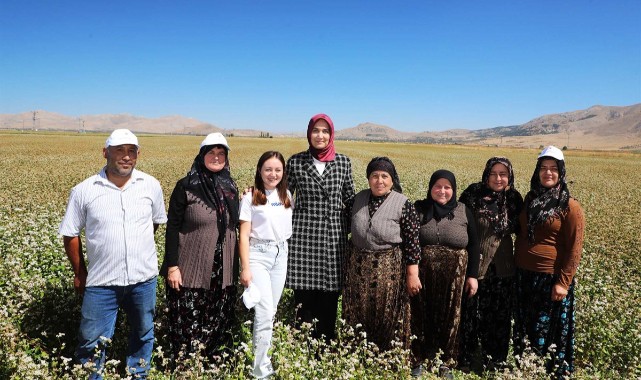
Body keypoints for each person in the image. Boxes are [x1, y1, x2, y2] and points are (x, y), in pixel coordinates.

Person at [59, 129, 167, 379]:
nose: (126, 156)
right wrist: (80, 272)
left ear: (138, 155)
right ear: (105, 152)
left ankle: (137, 374)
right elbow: (70, 234)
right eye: (119, 150)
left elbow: (155, 223)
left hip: (144, 279)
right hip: (101, 282)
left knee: (143, 333)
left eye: (132, 151)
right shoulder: (84, 190)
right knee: (91, 340)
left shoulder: (151, 185)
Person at [160, 133, 239, 367]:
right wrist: (172, 266)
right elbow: (172, 227)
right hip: (190, 269)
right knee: (188, 321)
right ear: (201, 155)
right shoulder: (186, 186)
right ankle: (186, 366)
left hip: (222, 269)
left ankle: (211, 365)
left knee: (219, 319)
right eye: (211, 153)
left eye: (221, 154)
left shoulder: (230, 187)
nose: (216, 158)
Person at [513, 146, 584, 379]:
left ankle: (548, 372)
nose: (548, 173)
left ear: (561, 172)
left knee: (549, 330)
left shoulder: (569, 206)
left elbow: (575, 248)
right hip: (524, 274)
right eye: (543, 168)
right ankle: (525, 367)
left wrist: (563, 282)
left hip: (550, 277)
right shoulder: (531, 199)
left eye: (553, 169)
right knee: (527, 325)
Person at [286, 113, 355, 342]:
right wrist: (254, 195)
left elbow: (350, 198)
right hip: (303, 238)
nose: (320, 135)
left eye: (325, 131)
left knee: (329, 297)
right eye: (316, 130)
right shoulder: (296, 162)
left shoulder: (343, 162)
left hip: (333, 238)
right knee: (304, 297)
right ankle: (303, 349)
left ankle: (325, 346)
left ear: (331, 134)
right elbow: (282, 196)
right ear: (309, 133)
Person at [342, 157, 421, 351]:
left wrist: (412, 274)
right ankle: (356, 352)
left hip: (389, 271)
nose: (380, 181)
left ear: (392, 180)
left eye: (384, 176)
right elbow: (341, 226)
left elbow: (412, 242)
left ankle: (386, 355)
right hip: (358, 269)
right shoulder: (357, 199)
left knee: (387, 313)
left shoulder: (403, 204)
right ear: (368, 179)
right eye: (375, 176)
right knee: (358, 311)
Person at [411, 169, 480, 378]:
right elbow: (409, 241)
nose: (442, 191)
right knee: (420, 314)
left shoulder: (463, 210)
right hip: (423, 275)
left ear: (454, 189)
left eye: (447, 187)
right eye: (437, 186)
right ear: (430, 188)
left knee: (451, 316)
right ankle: (418, 359)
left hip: (454, 277)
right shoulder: (419, 209)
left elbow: (475, 245)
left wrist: (472, 276)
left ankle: (446, 362)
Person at [458, 157, 524, 369]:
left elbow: (522, 230)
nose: (498, 178)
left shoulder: (514, 198)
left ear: (510, 176)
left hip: (503, 268)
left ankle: (495, 359)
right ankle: (466, 356)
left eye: (503, 174)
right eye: (493, 173)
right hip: (476, 265)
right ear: (486, 174)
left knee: (499, 315)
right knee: (471, 311)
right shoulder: (472, 194)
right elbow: (460, 222)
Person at [238, 151, 293, 379]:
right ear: (260, 171)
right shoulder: (250, 197)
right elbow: (243, 235)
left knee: (270, 311)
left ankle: (264, 359)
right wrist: (245, 268)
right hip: (258, 255)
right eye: (268, 169)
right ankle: (261, 371)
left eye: (277, 170)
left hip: (281, 254)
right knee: (262, 313)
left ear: (283, 173)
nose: (273, 174)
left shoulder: (287, 195)